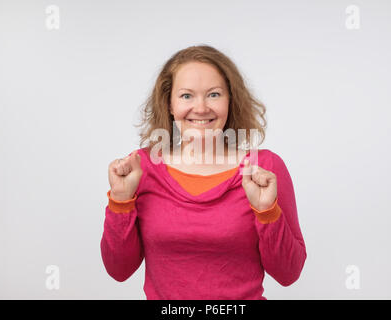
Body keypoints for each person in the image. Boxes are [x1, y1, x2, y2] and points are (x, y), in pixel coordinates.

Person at [100, 45, 307, 300]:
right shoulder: (141, 168)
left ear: (231, 100)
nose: (200, 108)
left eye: (214, 94)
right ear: (169, 104)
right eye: (186, 96)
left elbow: (289, 274)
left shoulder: (263, 168)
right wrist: (121, 201)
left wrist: (267, 212)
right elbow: (118, 270)